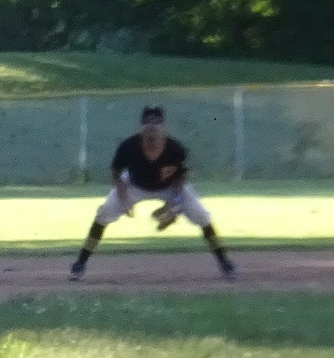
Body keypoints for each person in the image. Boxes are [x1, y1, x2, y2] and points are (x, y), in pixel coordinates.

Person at [70, 104, 236, 281]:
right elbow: (116, 172)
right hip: (134, 185)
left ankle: (224, 261)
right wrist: (123, 196)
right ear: (141, 127)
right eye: (147, 124)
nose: (151, 128)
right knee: (104, 213)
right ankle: (80, 263)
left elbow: (182, 175)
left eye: (156, 124)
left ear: (163, 128)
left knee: (201, 215)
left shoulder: (174, 149)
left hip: (170, 187)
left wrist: (175, 202)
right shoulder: (129, 146)